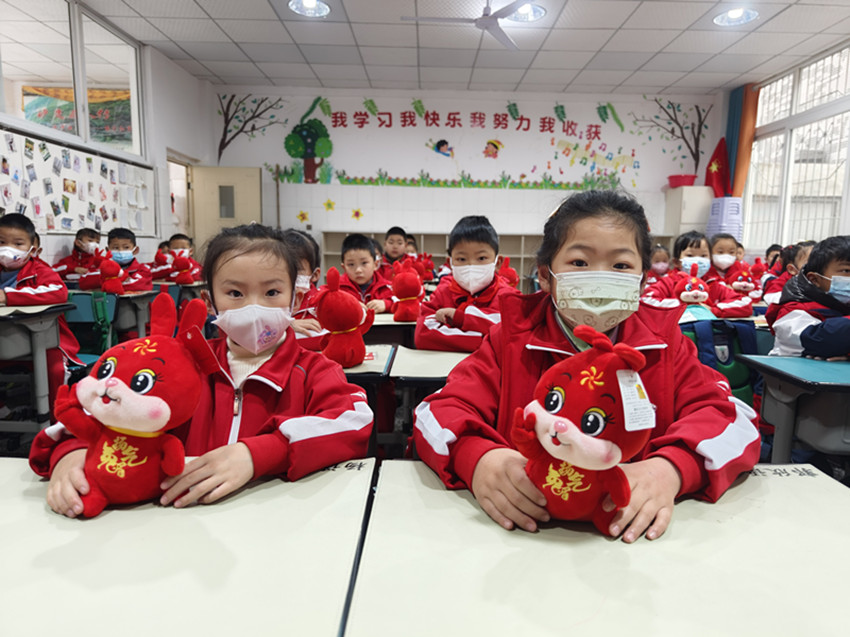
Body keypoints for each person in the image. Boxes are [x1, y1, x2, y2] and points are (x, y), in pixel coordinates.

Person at [412, 190, 760, 542]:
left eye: (620, 266)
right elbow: (437, 412)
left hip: (633, 544)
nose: (599, 278)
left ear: (642, 280)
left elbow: (733, 420)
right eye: (579, 263)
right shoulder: (512, 338)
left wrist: (670, 469)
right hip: (523, 536)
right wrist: (479, 459)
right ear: (545, 275)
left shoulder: (663, 343)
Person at [29, 223, 373, 518]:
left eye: (272, 292)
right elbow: (92, 411)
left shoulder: (315, 370)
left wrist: (259, 453)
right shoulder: (177, 365)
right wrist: (72, 455)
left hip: (277, 521)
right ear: (210, 302)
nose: (253, 307)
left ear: (294, 301)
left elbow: (355, 422)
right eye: (235, 293)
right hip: (176, 526)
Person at [0, 214, 81, 408]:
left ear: (32, 250)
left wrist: (7, 296)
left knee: (54, 369)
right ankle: (4, 412)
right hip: (6, 341)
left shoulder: (40, 271)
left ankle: (57, 417)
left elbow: (59, 292)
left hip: (46, 342)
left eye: (18, 244)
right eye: (1, 242)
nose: (8, 248)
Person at [415, 215, 519, 352]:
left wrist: (460, 319)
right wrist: (486, 339)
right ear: (450, 262)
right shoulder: (443, 292)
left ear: (497, 262)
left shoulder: (507, 296)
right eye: (462, 259)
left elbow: (512, 333)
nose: (471, 265)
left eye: (481, 258)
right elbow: (422, 335)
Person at [766, 235, 850, 357]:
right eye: (846, 271)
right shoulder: (793, 310)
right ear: (815, 279)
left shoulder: (844, 305)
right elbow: (817, 339)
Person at [643, 230, 751, 318]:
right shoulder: (668, 282)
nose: (698, 260)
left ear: (710, 260)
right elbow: (646, 301)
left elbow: (745, 303)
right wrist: (686, 306)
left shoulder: (713, 284)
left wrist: (712, 310)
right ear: (676, 262)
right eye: (690, 255)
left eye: (703, 256)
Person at [281, 228, 325, 349]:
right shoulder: (266, 299)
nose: (288, 275)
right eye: (282, 268)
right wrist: (285, 325)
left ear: (314, 275)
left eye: (296, 269)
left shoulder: (321, 303)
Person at [334, 233, 394, 313]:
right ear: (344, 267)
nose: (358, 270)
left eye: (364, 263)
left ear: (375, 264)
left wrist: (387, 304)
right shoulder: (336, 288)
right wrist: (347, 304)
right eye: (351, 264)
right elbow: (322, 302)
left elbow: (405, 301)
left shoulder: (388, 287)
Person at [79, 227, 153, 292]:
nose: (120, 250)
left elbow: (136, 285)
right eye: (116, 248)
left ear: (135, 250)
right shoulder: (103, 268)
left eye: (126, 247)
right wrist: (118, 279)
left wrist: (106, 282)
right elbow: (84, 281)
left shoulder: (143, 270)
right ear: (108, 250)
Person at [762, 240, 815, 305]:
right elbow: (771, 297)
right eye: (810, 263)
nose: (816, 266)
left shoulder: (820, 281)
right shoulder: (783, 280)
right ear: (792, 269)